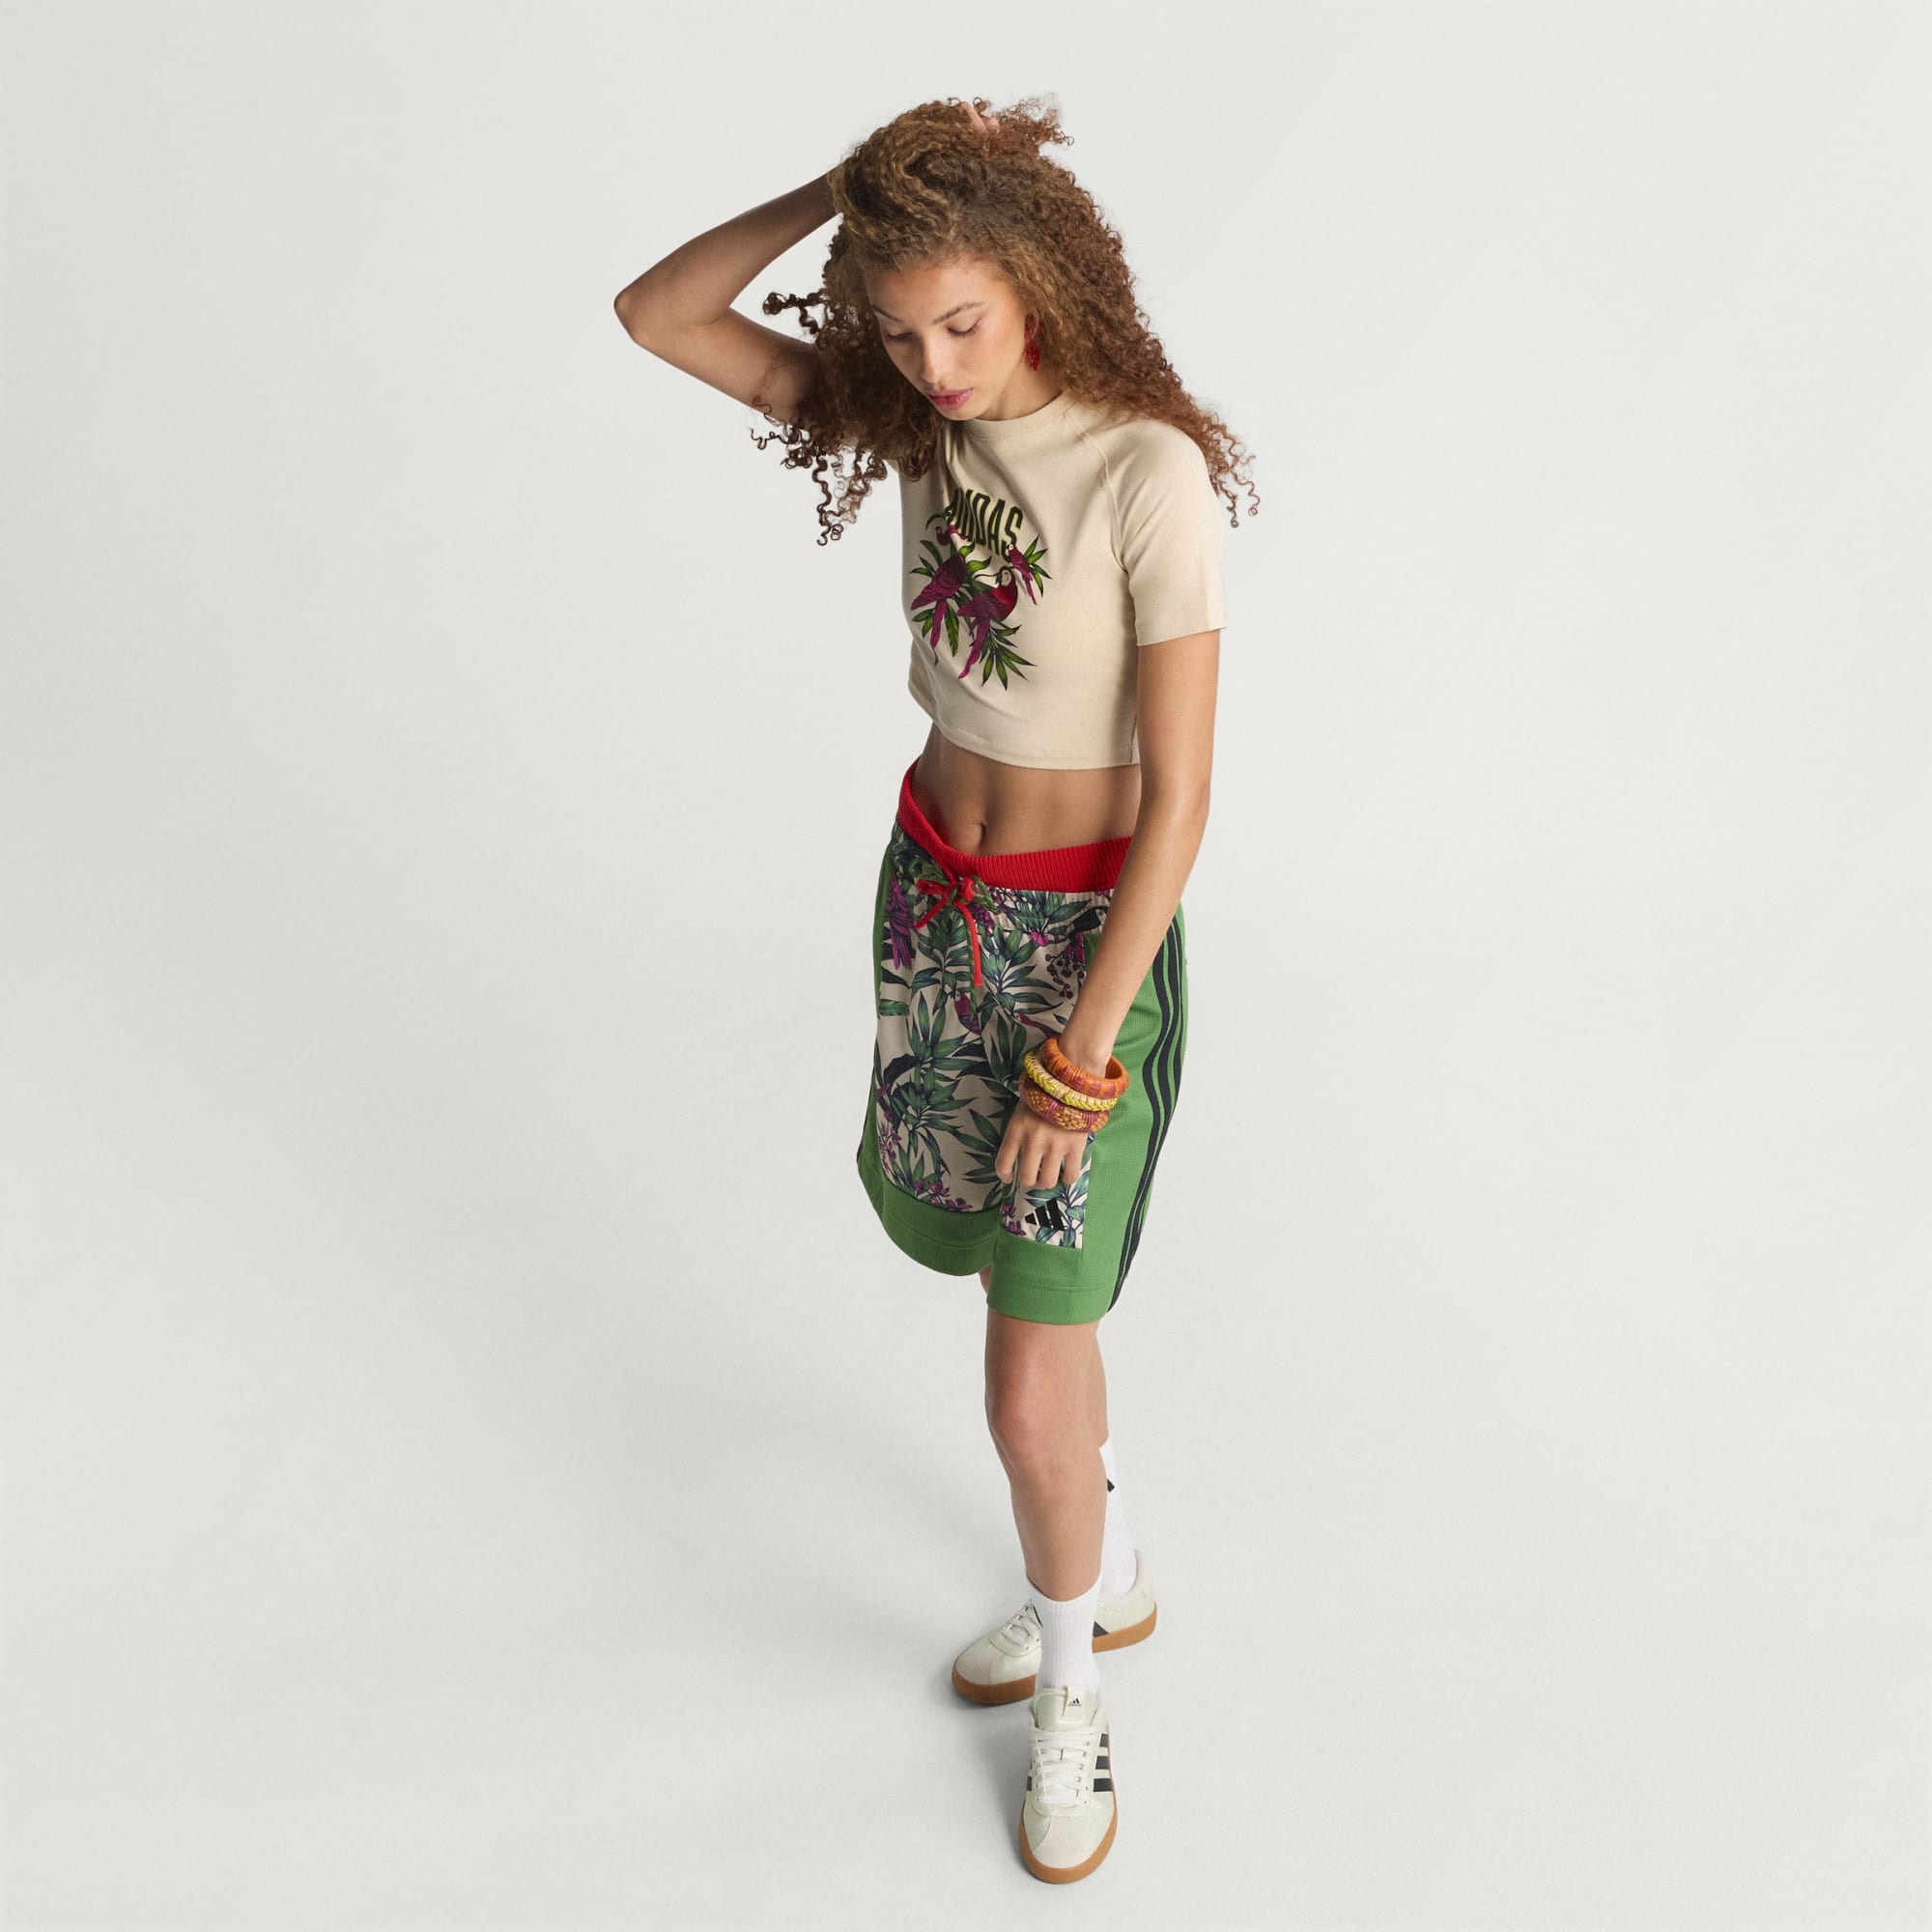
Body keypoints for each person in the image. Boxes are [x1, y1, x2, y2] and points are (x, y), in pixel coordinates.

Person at [613, 93, 1254, 1883]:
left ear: (1039, 277)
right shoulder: (918, 427)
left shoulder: (1142, 472)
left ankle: (1072, 1689)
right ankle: (1102, 1572)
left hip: (1080, 955)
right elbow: (660, 314)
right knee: (1007, 1276)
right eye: (897, 334)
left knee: (1023, 1385)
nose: (936, 367)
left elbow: (1183, 798)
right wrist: (845, 190)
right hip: (935, 912)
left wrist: (1083, 1053)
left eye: (963, 322)